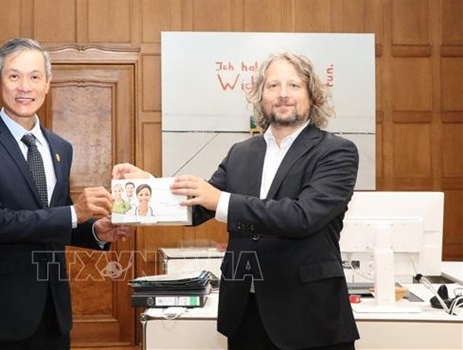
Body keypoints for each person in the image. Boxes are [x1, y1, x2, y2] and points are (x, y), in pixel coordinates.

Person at [113, 52, 360, 350]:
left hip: (308, 317)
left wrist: (222, 200)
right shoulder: (241, 153)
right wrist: (152, 186)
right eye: (273, 86)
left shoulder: (336, 152)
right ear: (260, 94)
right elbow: (198, 207)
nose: (283, 94)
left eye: (293, 85)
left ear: (312, 95)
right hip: (245, 314)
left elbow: (302, 216)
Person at [0, 37, 131, 349]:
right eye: (14, 76)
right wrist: (75, 212)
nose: (25, 87)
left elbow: (52, 221)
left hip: (52, 315)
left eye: (34, 77)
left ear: (47, 84)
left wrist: (96, 231)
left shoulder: (60, 147)